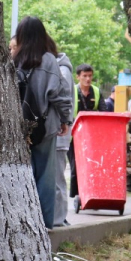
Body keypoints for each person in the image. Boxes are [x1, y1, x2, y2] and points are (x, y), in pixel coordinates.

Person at [13, 17, 72, 229]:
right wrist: (65, 119)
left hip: (18, 128)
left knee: (21, 173)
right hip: (44, 127)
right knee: (46, 176)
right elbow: (59, 94)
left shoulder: (13, 60)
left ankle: (23, 221)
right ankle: (45, 223)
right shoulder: (48, 60)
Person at [68, 63, 104, 206]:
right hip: (74, 136)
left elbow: (104, 112)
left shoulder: (96, 91)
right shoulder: (72, 91)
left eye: (90, 76)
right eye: (84, 76)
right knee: (75, 167)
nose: (88, 79)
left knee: (92, 166)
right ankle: (77, 196)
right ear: (78, 77)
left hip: (91, 137)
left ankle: (91, 194)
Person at [52, 50, 74, 226]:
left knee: (58, 177)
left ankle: (59, 218)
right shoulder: (58, 67)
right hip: (57, 132)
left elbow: (65, 100)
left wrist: (64, 121)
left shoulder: (62, 70)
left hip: (60, 134)